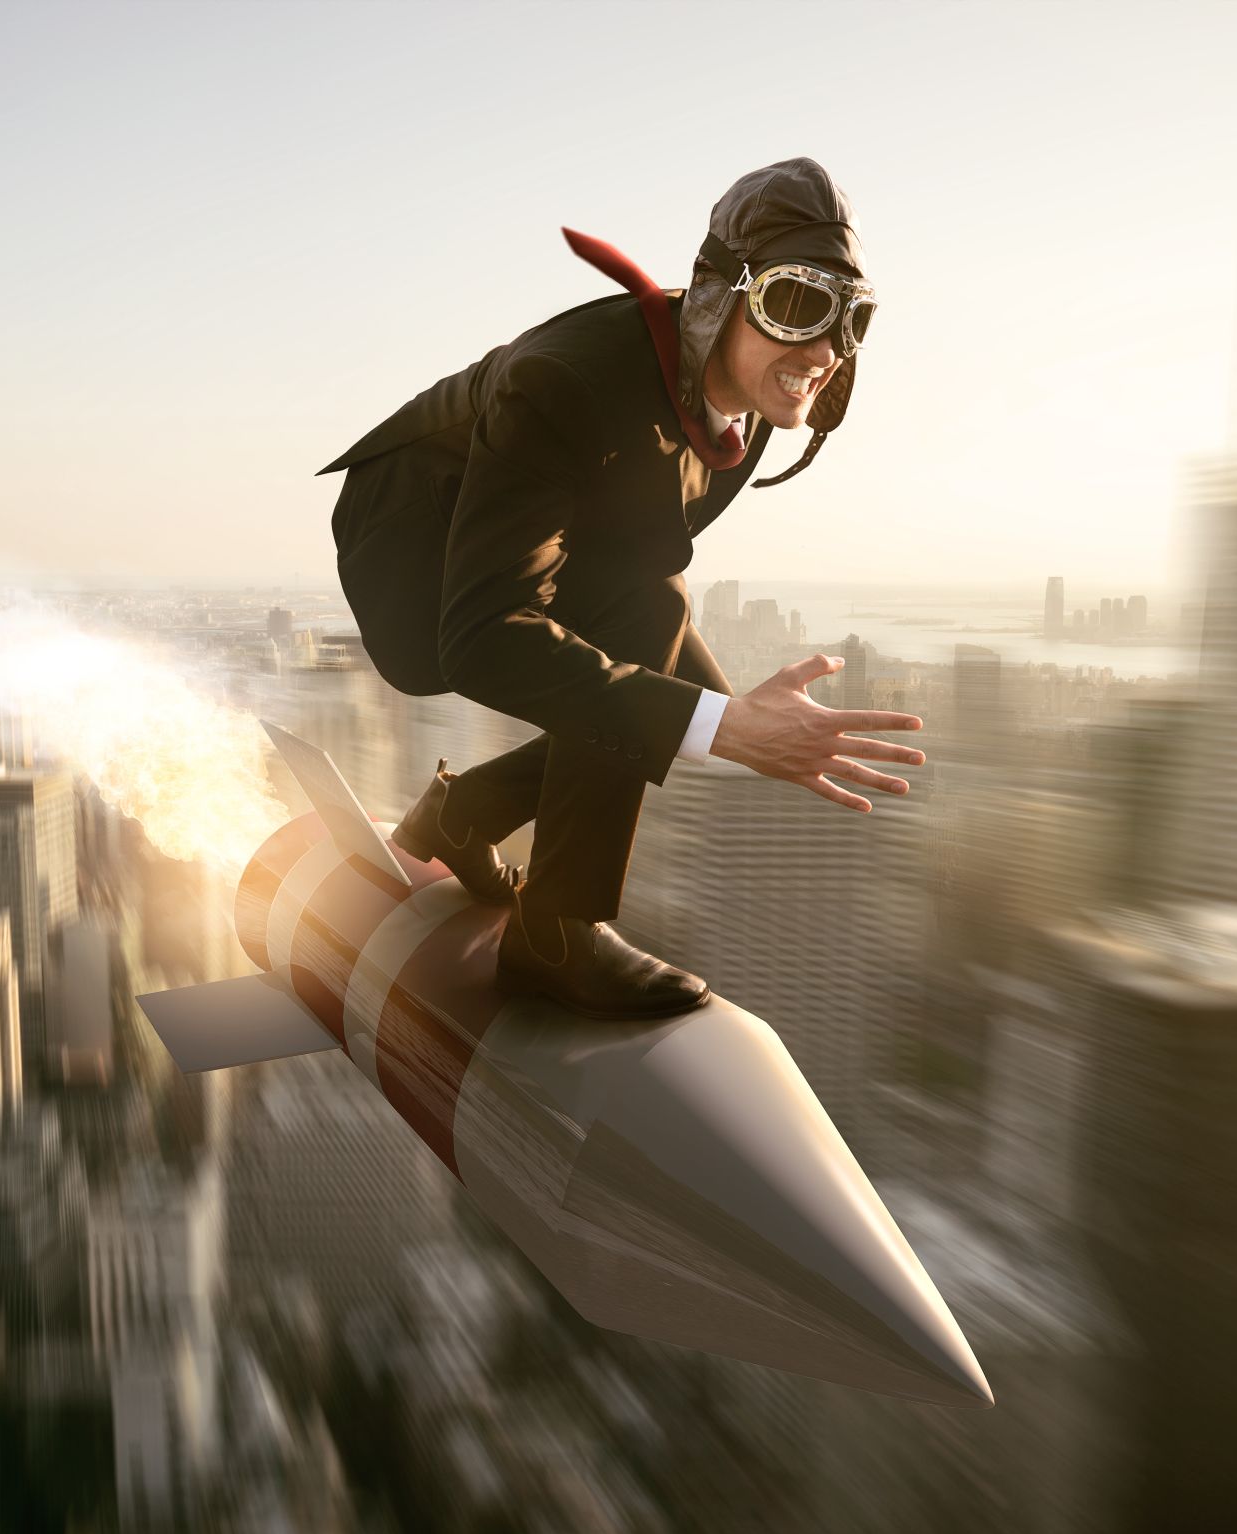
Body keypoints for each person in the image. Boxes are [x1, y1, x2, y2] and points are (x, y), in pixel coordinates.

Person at [319, 157, 924, 1019]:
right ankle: (553, 934)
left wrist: (725, 713)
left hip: (541, 537)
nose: (825, 350)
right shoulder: (565, 382)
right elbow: (488, 634)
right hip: (415, 553)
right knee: (662, 639)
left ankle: (465, 814)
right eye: (797, 304)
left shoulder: (743, 414)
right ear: (718, 295)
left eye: (851, 319)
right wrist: (716, 720)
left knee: (680, 677)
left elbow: (634, 556)